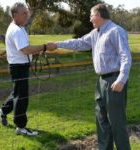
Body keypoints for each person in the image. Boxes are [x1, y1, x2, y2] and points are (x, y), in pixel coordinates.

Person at [46, 3, 132, 150]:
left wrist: (121, 79)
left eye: (91, 15)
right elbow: (79, 43)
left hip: (114, 80)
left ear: (99, 15)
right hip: (101, 82)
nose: (90, 19)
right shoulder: (95, 33)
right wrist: (58, 44)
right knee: (101, 122)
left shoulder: (116, 31)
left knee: (117, 124)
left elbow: (126, 56)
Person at [0, 2, 50, 136]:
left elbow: (24, 48)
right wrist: (44, 47)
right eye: (24, 13)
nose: (27, 15)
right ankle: (20, 127)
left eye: (27, 12)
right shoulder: (16, 30)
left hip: (18, 66)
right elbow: (25, 49)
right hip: (19, 67)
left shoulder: (18, 27)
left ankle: (2, 111)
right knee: (22, 97)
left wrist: (34, 52)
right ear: (15, 15)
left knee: (17, 93)